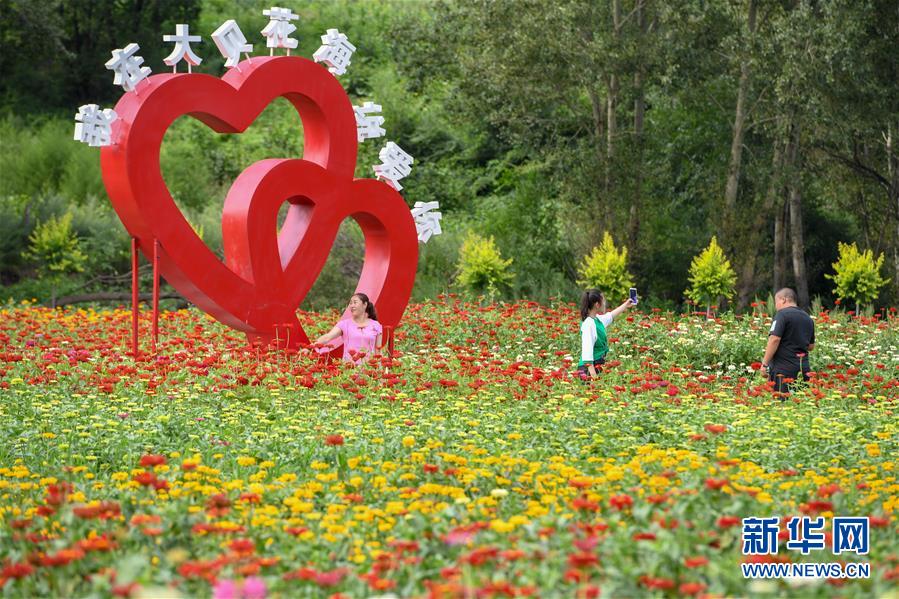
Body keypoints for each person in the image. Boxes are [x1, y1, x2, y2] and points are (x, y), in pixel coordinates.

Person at [761, 288, 815, 395]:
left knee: (782, 405)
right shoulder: (808, 318)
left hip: (783, 371)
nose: (776, 306)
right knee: (800, 404)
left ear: (783, 300)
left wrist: (765, 364)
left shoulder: (782, 315)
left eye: (776, 302)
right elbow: (811, 346)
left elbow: (774, 339)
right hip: (803, 370)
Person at [577, 289, 634, 379]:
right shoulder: (589, 324)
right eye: (603, 300)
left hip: (597, 366)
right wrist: (594, 378)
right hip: (588, 371)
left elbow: (610, 316)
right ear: (597, 304)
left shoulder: (596, 320)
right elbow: (587, 354)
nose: (605, 303)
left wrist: (626, 305)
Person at [313, 293, 383, 364]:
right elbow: (328, 337)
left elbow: (378, 350)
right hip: (349, 368)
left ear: (365, 305)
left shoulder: (375, 325)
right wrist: (310, 347)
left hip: (369, 369)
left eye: (355, 302)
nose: (352, 306)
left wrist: (379, 369)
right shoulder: (344, 324)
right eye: (350, 303)